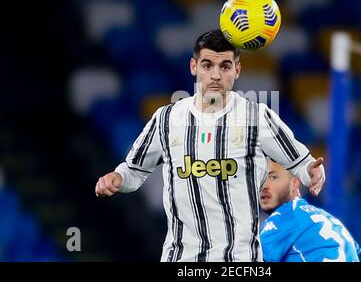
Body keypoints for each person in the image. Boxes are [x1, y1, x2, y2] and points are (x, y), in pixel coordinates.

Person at [94, 29, 326, 262]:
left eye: (225, 66)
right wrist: (118, 178)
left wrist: (312, 172)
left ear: (237, 69)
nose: (215, 75)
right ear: (193, 67)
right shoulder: (166, 119)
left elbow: (301, 162)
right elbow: (134, 171)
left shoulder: (257, 118)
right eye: (207, 65)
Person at [260, 160, 361, 262]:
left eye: (273, 177)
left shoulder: (283, 218)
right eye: (260, 179)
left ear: (295, 183)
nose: (264, 186)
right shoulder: (330, 220)